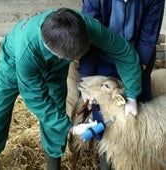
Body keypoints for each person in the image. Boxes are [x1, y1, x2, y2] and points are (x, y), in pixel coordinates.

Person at [0, 7, 142, 170]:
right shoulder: (26, 55)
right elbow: (34, 97)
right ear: (57, 54)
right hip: (12, 63)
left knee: (56, 112)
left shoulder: (85, 26)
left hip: (56, 69)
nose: (77, 59)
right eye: (73, 58)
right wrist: (71, 128)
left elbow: (123, 51)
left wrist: (132, 94)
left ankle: (53, 165)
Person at [79, 1, 165, 169]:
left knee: (138, 122)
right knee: (103, 120)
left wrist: (133, 88)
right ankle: (107, 163)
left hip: (138, 61)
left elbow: (148, 38)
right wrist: (86, 77)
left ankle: (141, 161)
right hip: (104, 61)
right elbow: (88, 33)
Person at [79, 0, 165, 103]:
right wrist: (85, 79)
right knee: (103, 107)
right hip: (104, 58)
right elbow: (90, 35)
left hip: (137, 58)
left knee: (140, 108)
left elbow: (148, 37)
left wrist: (138, 72)